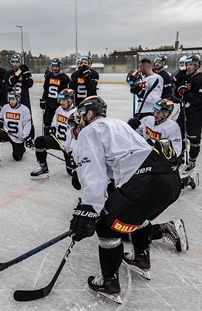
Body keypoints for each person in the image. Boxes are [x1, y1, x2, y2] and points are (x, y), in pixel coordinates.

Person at [69, 95, 184, 304]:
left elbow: (94, 176)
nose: (80, 118)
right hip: (169, 179)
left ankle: (109, 282)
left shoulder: (89, 131)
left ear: (90, 113)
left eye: (81, 114)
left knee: (106, 227)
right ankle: (141, 258)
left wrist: (87, 210)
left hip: (145, 180)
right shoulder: (118, 123)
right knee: (135, 214)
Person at [128, 98, 198, 191]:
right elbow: (135, 133)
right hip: (148, 154)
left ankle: (185, 180)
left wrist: (161, 153)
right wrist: (131, 126)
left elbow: (176, 149)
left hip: (162, 159)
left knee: (163, 185)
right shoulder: (147, 120)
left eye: (158, 112)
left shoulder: (172, 127)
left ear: (166, 114)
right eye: (155, 111)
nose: (155, 114)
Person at [30, 88, 77, 179]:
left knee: (71, 171)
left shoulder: (77, 115)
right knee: (39, 141)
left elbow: (79, 136)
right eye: (60, 99)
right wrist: (53, 129)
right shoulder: (59, 109)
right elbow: (60, 125)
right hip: (58, 141)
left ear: (70, 100)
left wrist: (74, 151)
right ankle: (43, 167)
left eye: (64, 100)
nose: (61, 102)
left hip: (70, 148)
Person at [175, 54, 202, 173]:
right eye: (187, 65)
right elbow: (176, 96)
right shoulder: (186, 77)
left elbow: (199, 100)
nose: (188, 67)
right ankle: (179, 158)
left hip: (196, 113)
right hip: (184, 111)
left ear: (197, 65)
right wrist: (177, 86)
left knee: (193, 139)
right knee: (179, 135)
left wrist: (185, 93)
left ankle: (192, 160)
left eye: (191, 65)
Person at [0, 89, 33, 170]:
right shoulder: (5, 107)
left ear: (18, 99)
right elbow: (0, 117)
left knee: (17, 157)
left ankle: (21, 148)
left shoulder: (24, 110)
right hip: (7, 133)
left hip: (18, 137)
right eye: (10, 99)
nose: (11, 101)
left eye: (13, 99)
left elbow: (27, 125)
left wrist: (25, 136)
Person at [6, 53, 35, 138]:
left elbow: (30, 84)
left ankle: (30, 136)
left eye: (17, 62)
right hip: (13, 100)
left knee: (27, 118)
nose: (15, 64)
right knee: (14, 118)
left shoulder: (25, 71)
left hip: (24, 98)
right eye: (13, 62)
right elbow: (5, 86)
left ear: (20, 62)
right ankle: (15, 135)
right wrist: (11, 84)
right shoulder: (9, 72)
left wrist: (26, 75)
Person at [40, 58, 71, 127]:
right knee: (46, 121)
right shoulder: (48, 76)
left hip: (60, 104)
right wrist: (43, 99)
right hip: (50, 103)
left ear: (60, 66)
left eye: (56, 66)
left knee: (61, 122)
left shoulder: (65, 78)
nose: (55, 68)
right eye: (53, 66)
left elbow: (69, 92)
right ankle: (47, 136)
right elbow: (46, 89)